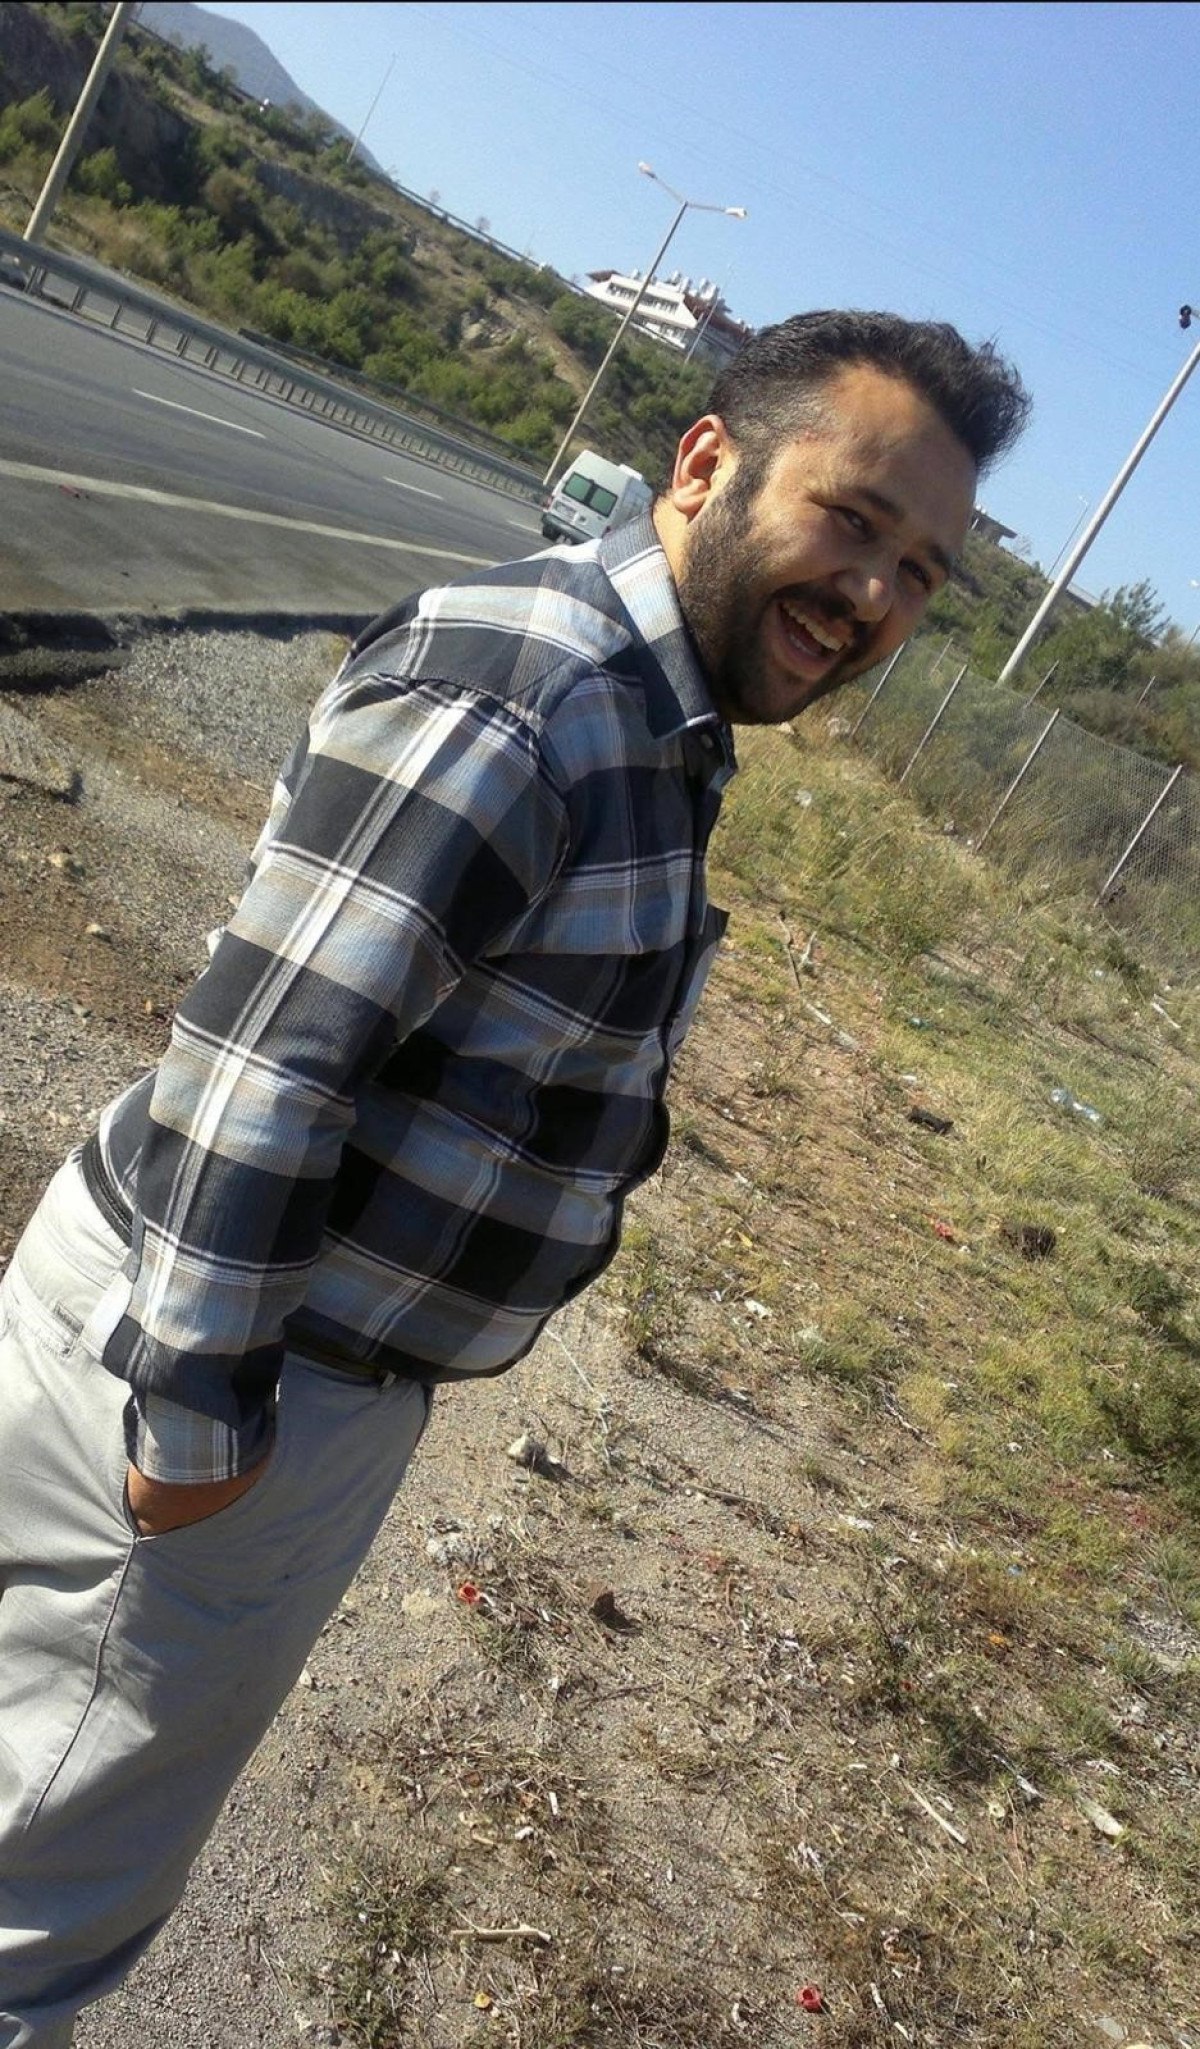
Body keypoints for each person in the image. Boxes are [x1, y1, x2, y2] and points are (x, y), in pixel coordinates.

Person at [0, 309, 1028, 2043]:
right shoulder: (541, 688)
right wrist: (196, 1434)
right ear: (705, 464)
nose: (873, 596)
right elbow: (268, 1065)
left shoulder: (649, 707)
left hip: (250, 1362)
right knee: (38, 1909)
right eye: (852, 520)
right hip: (230, 1376)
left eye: (920, 570)